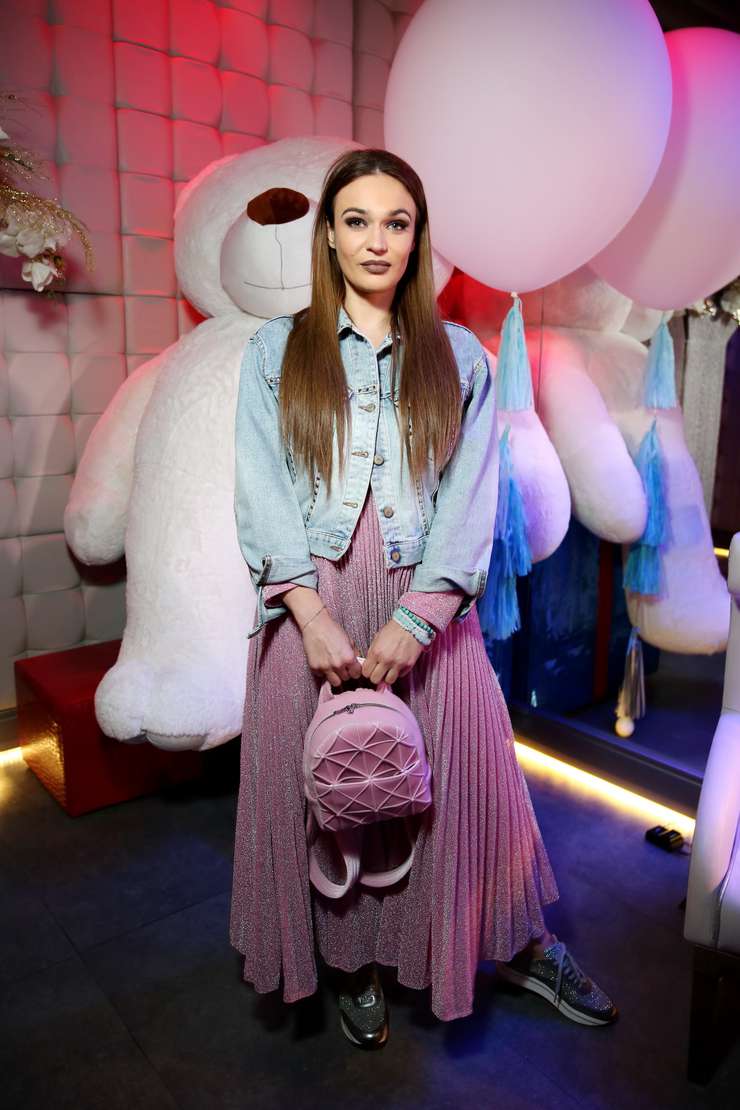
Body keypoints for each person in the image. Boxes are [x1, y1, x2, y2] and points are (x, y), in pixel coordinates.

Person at [229, 147, 617, 1048]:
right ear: (329, 237)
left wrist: (419, 618)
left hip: (428, 610)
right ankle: (351, 962)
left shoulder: (463, 358)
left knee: (470, 792)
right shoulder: (274, 351)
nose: (377, 240)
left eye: (396, 223)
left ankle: (519, 943)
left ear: (417, 238)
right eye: (357, 220)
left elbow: (472, 501)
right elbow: (260, 488)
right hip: (310, 607)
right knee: (332, 793)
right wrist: (309, 615)